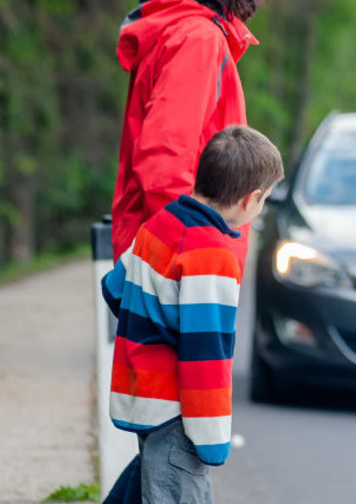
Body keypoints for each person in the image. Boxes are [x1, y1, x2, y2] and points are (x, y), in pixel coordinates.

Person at [101, 125, 284, 502]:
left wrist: (153, 327)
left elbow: (115, 287)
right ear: (250, 200)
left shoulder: (162, 224)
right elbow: (206, 354)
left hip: (145, 398)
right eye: (264, 200)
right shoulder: (213, 257)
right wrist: (212, 438)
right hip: (179, 414)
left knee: (148, 485)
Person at [110, 0, 277, 269]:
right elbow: (164, 161)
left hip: (168, 258)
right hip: (182, 266)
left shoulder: (180, 30)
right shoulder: (197, 39)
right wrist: (198, 258)